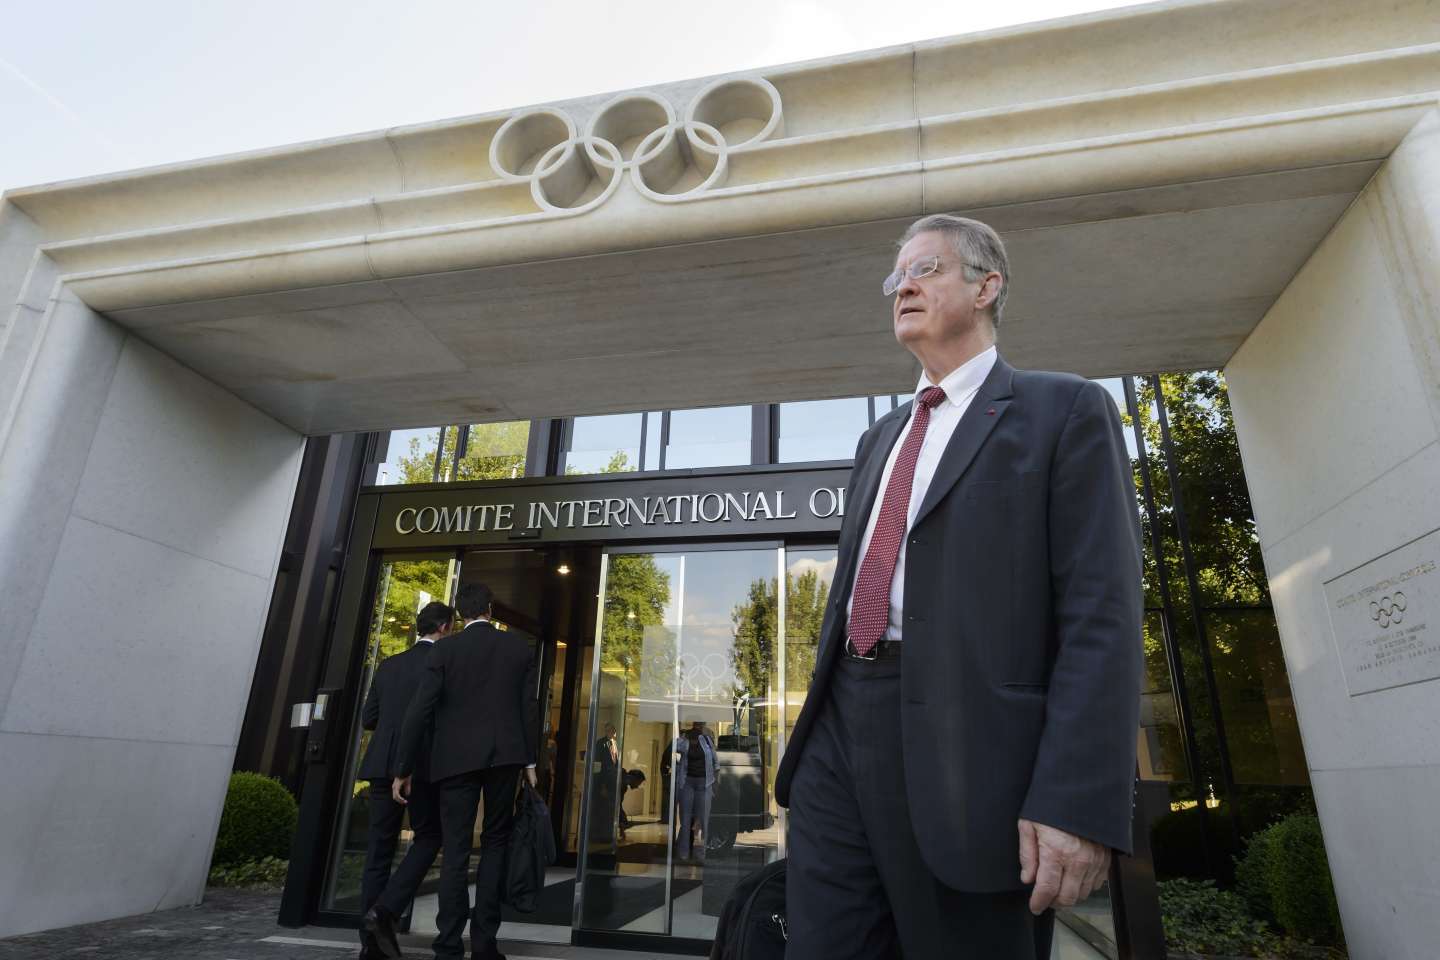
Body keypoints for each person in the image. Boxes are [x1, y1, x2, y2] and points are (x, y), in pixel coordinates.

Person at [774, 214, 1143, 959]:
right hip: (839, 732)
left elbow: (1101, 614)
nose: (903, 285)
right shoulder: (879, 439)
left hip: (972, 759)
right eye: (896, 276)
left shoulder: (1062, 410)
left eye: (927, 269)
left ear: (987, 286)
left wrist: (1077, 800)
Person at [378, 582, 539, 960]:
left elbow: (420, 709)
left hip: (453, 762)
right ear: (489, 608)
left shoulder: (446, 649)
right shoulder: (516, 647)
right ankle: (485, 944)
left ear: (460, 614)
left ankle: (448, 945)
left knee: (456, 851)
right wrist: (530, 762)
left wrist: (403, 767)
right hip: (505, 758)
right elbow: (528, 707)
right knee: (496, 842)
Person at [355, 601, 452, 959]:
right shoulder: (440, 663)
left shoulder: (389, 664)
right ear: (443, 627)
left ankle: (371, 948)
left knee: (378, 852)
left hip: (381, 765)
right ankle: (386, 911)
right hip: (421, 766)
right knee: (430, 836)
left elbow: (369, 717)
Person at [672, 719, 717, 861]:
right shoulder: (685, 738)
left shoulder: (708, 739)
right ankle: (684, 851)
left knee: (703, 819)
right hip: (687, 782)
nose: (698, 727)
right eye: (696, 724)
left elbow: (716, 763)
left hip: (704, 783)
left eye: (700, 725)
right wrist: (681, 733)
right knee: (685, 820)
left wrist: (715, 785)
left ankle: (701, 851)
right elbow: (675, 749)